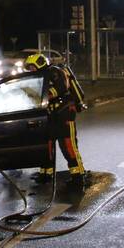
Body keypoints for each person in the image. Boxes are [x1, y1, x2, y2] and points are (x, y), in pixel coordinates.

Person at [24, 52, 89, 187]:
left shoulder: (55, 72)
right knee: (46, 147)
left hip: (64, 114)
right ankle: (46, 174)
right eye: (29, 68)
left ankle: (78, 176)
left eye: (32, 67)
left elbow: (60, 88)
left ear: (40, 63)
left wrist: (41, 96)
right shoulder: (40, 77)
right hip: (50, 116)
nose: (31, 70)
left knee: (68, 146)